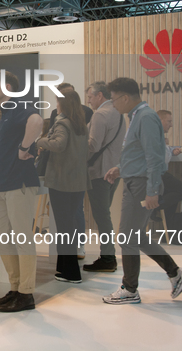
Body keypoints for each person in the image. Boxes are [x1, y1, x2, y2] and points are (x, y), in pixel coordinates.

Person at [102, 77, 182, 304]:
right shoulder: (137, 117)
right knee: (135, 236)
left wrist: (152, 190)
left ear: (125, 97)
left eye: (114, 100)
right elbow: (139, 154)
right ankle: (176, 273)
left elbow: (155, 157)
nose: (114, 105)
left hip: (142, 185)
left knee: (127, 237)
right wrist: (121, 169)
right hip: (135, 182)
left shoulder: (146, 117)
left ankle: (130, 289)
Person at [0, 70, 42, 312]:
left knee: (22, 238)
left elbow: (37, 122)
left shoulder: (18, 106)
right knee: (1, 234)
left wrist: (25, 148)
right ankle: (15, 287)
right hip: (4, 184)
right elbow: (5, 148)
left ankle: (26, 294)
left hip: (21, 183)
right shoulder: (6, 112)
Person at [37, 90, 90, 283]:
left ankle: (71, 272)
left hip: (61, 181)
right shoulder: (81, 126)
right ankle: (65, 268)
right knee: (70, 226)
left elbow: (58, 145)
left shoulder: (62, 123)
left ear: (62, 104)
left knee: (64, 227)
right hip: (78, 181)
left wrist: (39, 141)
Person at [83, 81, 124, 272]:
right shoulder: (119, 114)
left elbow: (93, 146)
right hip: (114, 171)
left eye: (90, 96)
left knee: (101, 216)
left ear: (100, 96)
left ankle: (108, 257)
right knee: (104, 214)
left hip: (99, 171)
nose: (89, 100)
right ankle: (108, 255)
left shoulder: (100, 114)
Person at [48, 82, 93, 258]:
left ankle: (77, 247)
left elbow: (57, 142)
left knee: (72, 214)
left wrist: (40, 142)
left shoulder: (85, 113)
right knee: (65, 218)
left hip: (73, 170)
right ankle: (68, 257)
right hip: (64, 170)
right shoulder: (55, 115)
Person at [152, 110, 182, 223]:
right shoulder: (155, 136)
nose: (171, 125)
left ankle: (168, 230)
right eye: (169, 121)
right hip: (158, 174)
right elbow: (160, 158)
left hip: (159, 173)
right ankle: (153, 206)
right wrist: (167, 147)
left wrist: (170, 150)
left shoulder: (159, 136)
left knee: (172, 197)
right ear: (160, 120)